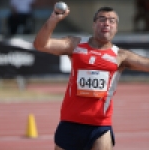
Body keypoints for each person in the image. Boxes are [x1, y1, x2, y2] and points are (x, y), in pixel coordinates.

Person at [33, 5, 149, 150]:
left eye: (112, 21)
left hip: (100, 126)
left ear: (116, 28)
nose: (107, 23)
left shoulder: (121, 56)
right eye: (102, 19)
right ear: (94, 24)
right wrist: (53, 20)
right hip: (70, 122)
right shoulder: (75, 44)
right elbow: (41, 45)